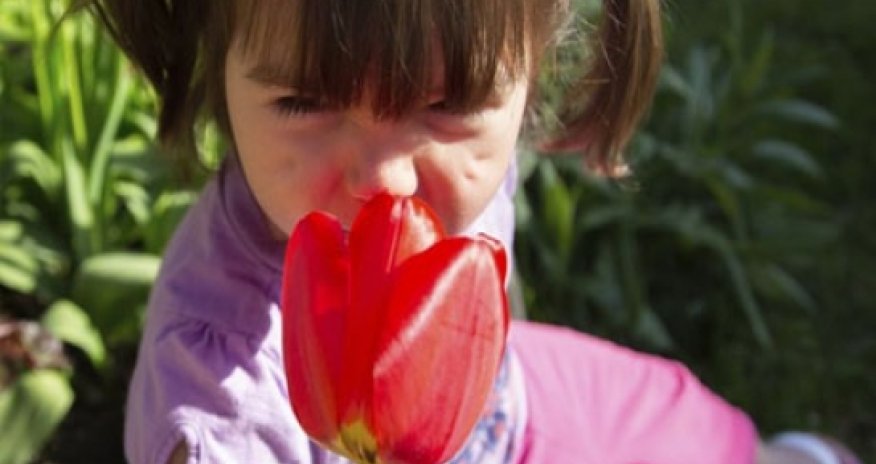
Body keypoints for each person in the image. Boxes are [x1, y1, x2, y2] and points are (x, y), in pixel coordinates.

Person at [74, 0, 861, 463]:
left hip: (516, 405)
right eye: (305, 103)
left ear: (535, 68)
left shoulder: (468, 158)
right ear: (210, 63)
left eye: (444, 105)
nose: (384, 177)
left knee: (712, 436)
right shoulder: (220, 397)